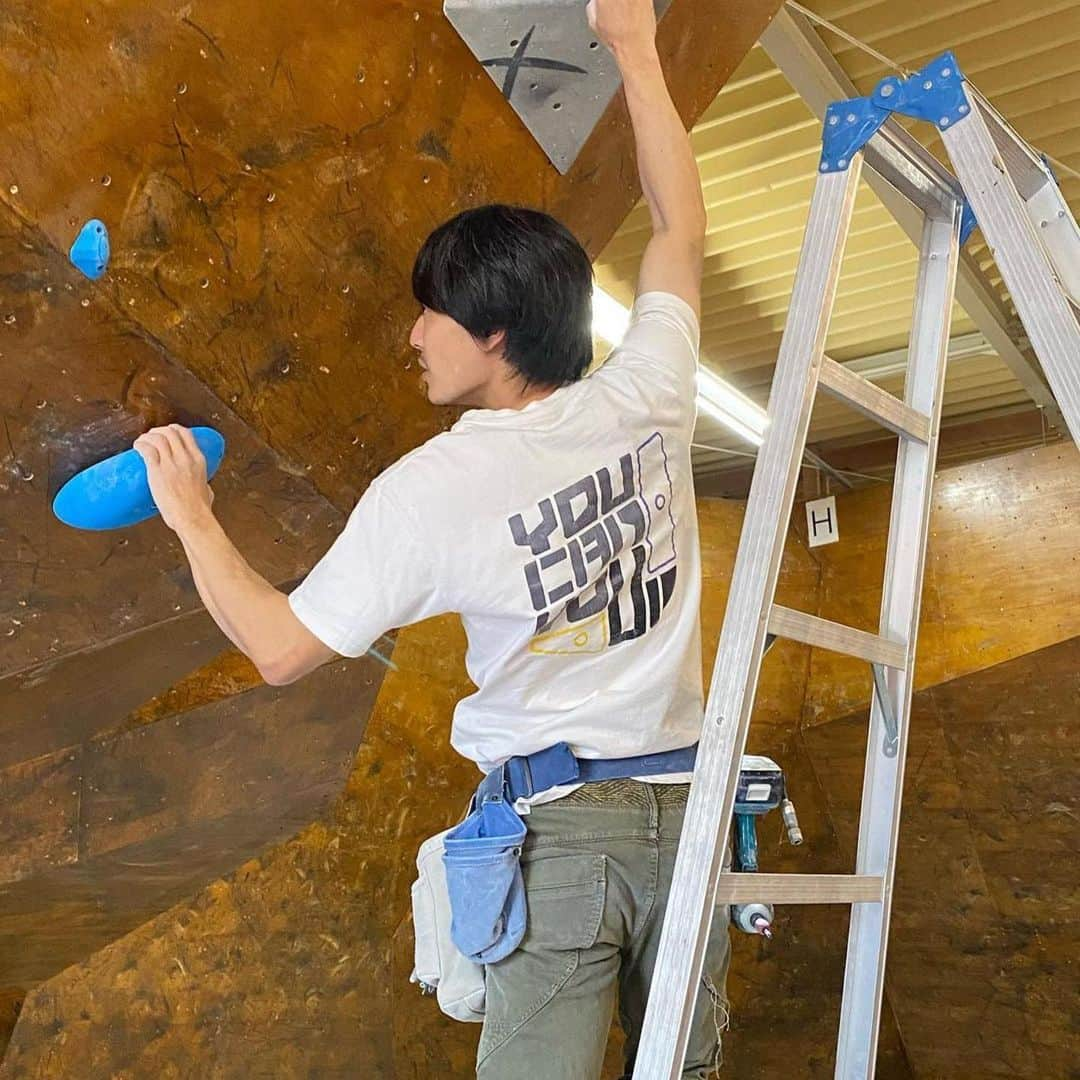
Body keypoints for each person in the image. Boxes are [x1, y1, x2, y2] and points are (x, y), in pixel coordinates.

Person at [133, 0, 729, 1075]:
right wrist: (635, 48)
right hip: (689, 823)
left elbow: (279, 647)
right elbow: (679, 227)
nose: (412, 334)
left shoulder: (439, 487)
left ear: (494, 336)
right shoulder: (650, 392)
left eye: (432, 315)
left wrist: (192, 518)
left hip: (560, 837)